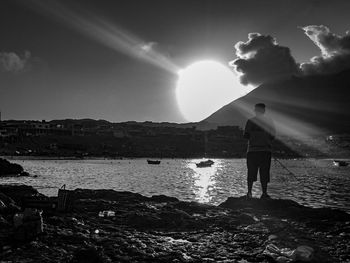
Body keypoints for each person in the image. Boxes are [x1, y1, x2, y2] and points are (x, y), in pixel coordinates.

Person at [243, 103, 275, 199]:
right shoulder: (269, 122)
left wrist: (254, 136)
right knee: (264, 172)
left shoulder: (250, 121)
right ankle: (264, 193)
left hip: (252, 151)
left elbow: (246, 136)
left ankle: (249, 193)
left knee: (251, 172)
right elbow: (272, 136)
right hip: (265, 151)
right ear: (264, 111)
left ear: (255, 110)